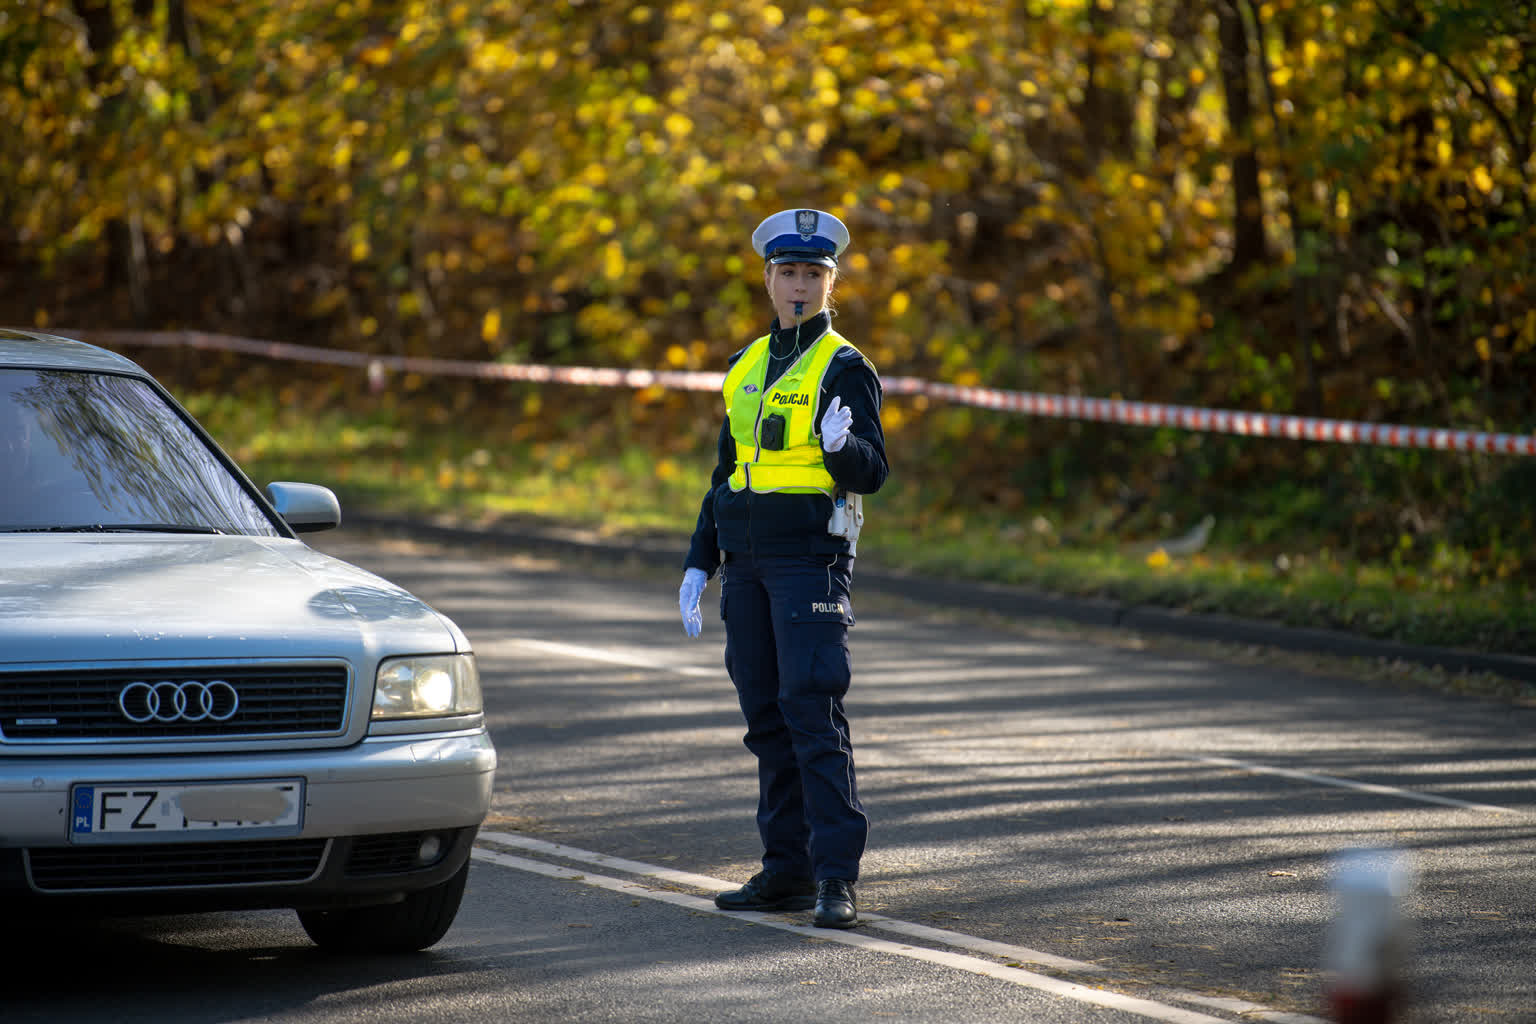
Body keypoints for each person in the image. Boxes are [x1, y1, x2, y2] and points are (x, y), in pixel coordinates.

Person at [678, 208, 888, 929]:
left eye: (814, 274)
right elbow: (727, 473)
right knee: (767, 721)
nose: (800, 286)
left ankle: (835, 878)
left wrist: (841, 449)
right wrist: (699, 561)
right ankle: (786, 871)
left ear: (832, 283)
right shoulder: (743, 366)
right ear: (768, 280)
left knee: (812, 715)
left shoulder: (845, 367)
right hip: (748, 567)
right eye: (789, 273)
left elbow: (873, 471)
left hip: (810, 563)